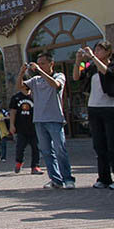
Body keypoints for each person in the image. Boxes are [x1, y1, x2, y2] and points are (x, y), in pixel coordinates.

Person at [18, 52, 74, 189]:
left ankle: (68, 179)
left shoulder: (58, 76)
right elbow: (21, 88)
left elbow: (55, 85)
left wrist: (39, 71)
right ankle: (55, 179)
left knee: (60, 149)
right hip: (39, 120)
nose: (40, 66)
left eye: (43, 63)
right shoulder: (35, 80)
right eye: (39, 63)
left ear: (51, 64)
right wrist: (21, 73)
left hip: (55, 119)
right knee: (46, 151)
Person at [73, 41, 114, 189]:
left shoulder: (110, 65)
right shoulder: (91, 68)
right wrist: (78, 61)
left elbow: (107, 72)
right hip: (94, 109)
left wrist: (93, 58)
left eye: (100, 49)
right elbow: (76, 77)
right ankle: (104, 178)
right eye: (95, 49)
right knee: (99, 146)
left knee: (112, 145)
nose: (96, 52)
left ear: (108, 52)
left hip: (110, 109)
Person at [7, 88, 42, 175]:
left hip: (34, 127)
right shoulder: (16, 97)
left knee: (36, 148)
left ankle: (35, 166)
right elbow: (13, 112)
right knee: (20, 148)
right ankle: (19, 162)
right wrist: (11, 125)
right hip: (21, 128)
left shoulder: (35, 96)